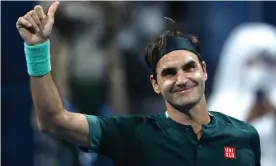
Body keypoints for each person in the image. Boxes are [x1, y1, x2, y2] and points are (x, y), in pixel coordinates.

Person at [16, 2, 261, 166]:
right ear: (155, 84)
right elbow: (54, 120)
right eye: (169, 73)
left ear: (204, 71)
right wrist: (37, 49)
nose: (181, 79)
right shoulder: (135, 133)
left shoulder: (244, 136)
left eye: (189, 67)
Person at [208, 23, 276, 166]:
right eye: (253, 62)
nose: (261, 70)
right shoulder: (222, 106)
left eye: (268, 62)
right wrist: (247, 121)